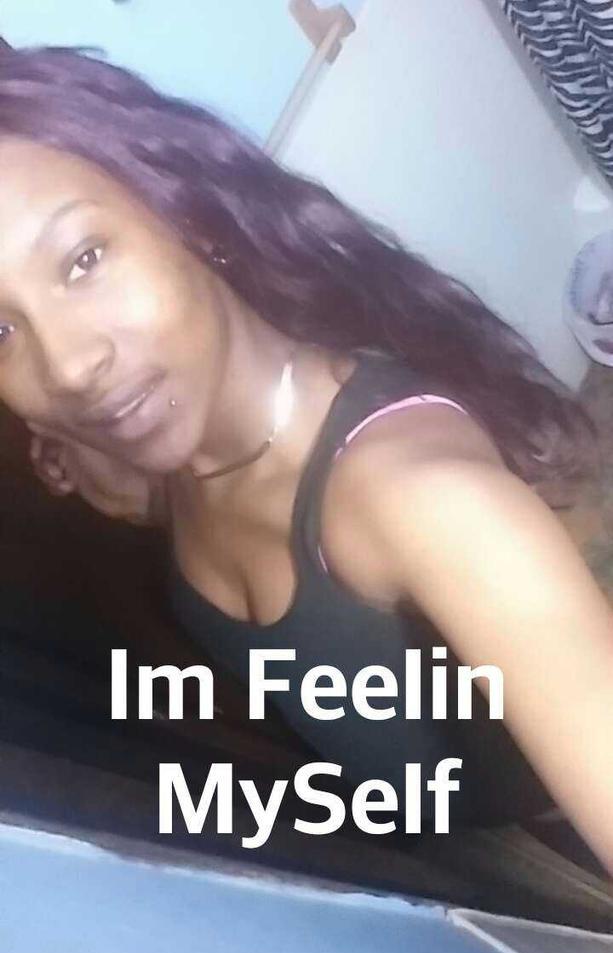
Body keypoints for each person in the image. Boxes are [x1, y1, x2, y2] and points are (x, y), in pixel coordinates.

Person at [0, 47, 611, 871]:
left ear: (189, 217)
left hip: (545, 838)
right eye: (1, 331)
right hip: (442, 843)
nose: (69, 368)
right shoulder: (181, 447)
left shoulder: (419, 500)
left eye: (84, 260)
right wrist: (95, 470)